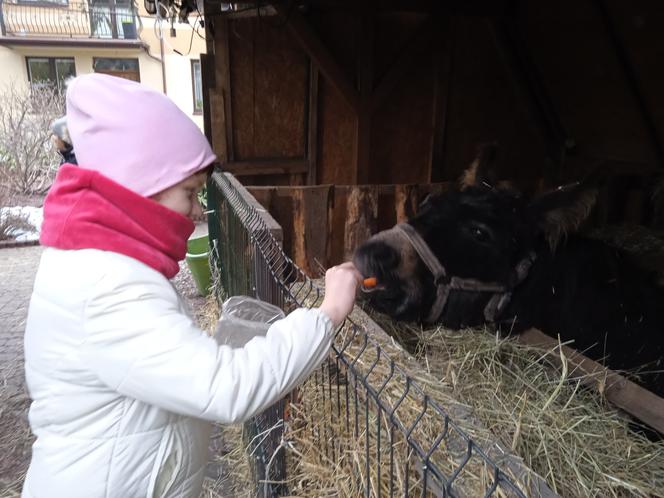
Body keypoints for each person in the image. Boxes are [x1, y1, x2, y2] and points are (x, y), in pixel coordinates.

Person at [22, 74, 362, 498]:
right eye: (189, 191)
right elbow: (228, 389)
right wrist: (327, 314)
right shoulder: (107, 285)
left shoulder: (100, 258)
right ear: (139, 183)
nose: (196, 209)